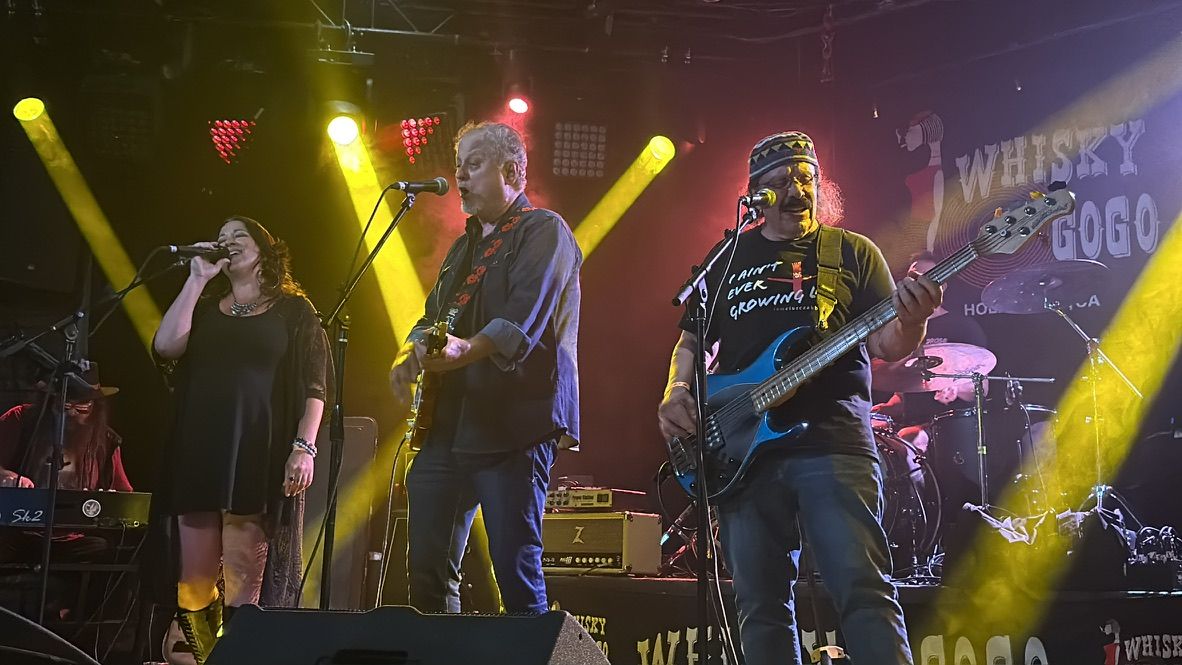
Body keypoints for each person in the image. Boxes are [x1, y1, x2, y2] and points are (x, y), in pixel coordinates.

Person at [656, 131, 941, 665]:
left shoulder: (851, 251)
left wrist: (913, 319)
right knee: (759, 604)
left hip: (833, 441)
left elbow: (886, 344)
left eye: (806, 177)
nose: (797, 189)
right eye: (781, 181)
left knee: (863, 590)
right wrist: (676, 391)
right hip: (740, 452)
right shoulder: (728, 258)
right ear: (756, 195)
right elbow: (691, 341)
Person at [389, 121, 581, 614]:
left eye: (473, 165)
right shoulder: (463, 247)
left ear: (511, 170)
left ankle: (529, 648)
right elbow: (432, 317)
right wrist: (409, 352)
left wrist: (462, 351)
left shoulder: (545, 230)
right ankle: (440, 649)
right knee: (427, 575)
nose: (460, 177)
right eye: (458, 166)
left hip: (515, 424)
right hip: (447, 424)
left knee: (514, 568)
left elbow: (521, 320)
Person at [151, 216, 328, 663]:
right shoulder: (207, 306)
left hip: (255, 447)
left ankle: (238, 655)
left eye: (238, 236)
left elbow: (315, 386)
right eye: (222, 238)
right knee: (193, 582)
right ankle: (205, 656)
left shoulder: (294, 311)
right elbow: (166, 347)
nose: (227, 243)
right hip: (200, 446)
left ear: (264, 250)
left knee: (243, 572)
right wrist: (196, 279)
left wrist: (304, 446)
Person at [871, 251, 989, 449]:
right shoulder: (900, 331)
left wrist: (956, 388)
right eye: (913, 279)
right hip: (909, 424)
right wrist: (882, 411)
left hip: (951, 426)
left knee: (910, 438)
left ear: (942, 286)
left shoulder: (963, 327)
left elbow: (982, 388)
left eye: (926, 278)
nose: (917, 285)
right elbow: (903, 393)